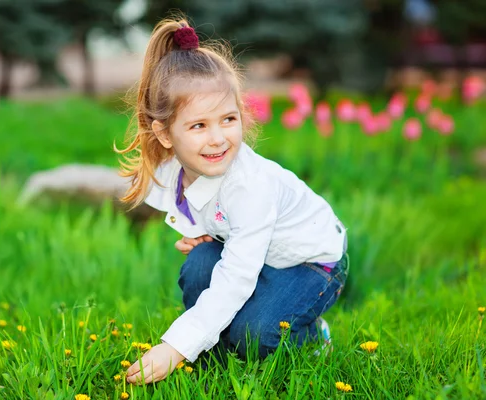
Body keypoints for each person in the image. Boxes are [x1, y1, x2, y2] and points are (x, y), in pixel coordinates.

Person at [114, 16, 349, 385]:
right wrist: (199, 231)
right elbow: (191, 203)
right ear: (165, 134)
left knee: (256, 335)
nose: (218, 138)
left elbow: (237, 277)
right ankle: (215, 347)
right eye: (199, 125)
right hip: (260, 254)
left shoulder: (249, 187)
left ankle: (311, 335)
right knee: (198, 267)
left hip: (311, 263)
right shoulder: (175, 167)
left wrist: (174, 348)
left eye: (228, 119)